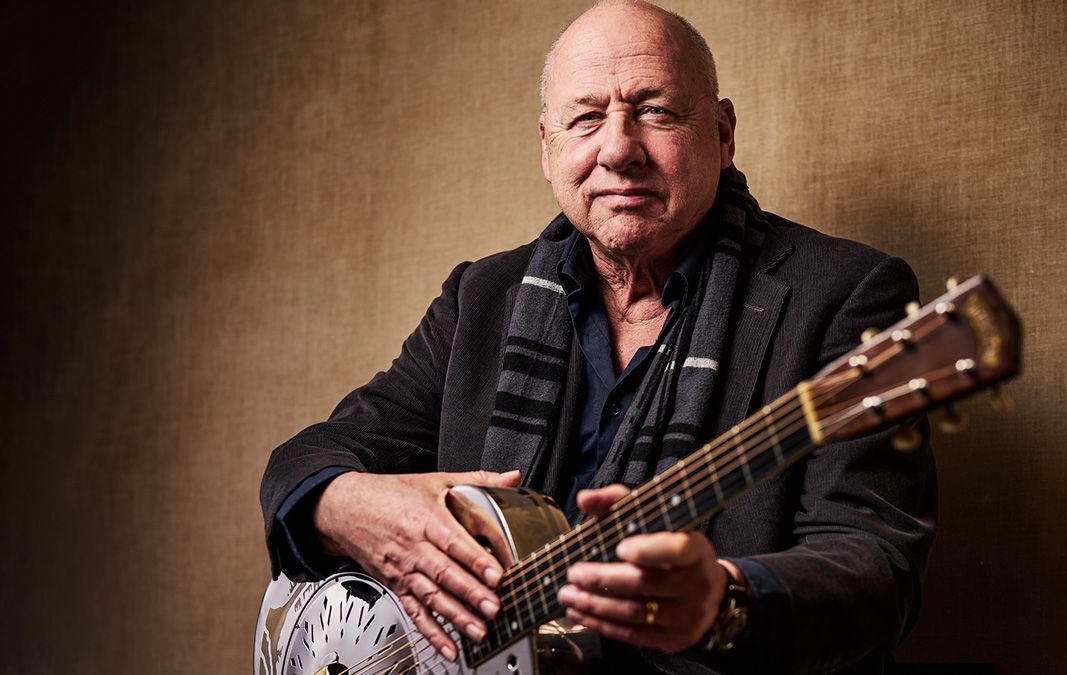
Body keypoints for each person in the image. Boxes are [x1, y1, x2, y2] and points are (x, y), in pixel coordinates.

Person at [259, 1, 936, 672]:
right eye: (586, 118)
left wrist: (725, 599)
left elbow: (876, 565)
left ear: (724, 134)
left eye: (656, 111)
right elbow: (312, 456)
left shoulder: (845, 293)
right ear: (548, 149)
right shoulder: (482, 298)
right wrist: (348, 504)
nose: (618, 147)